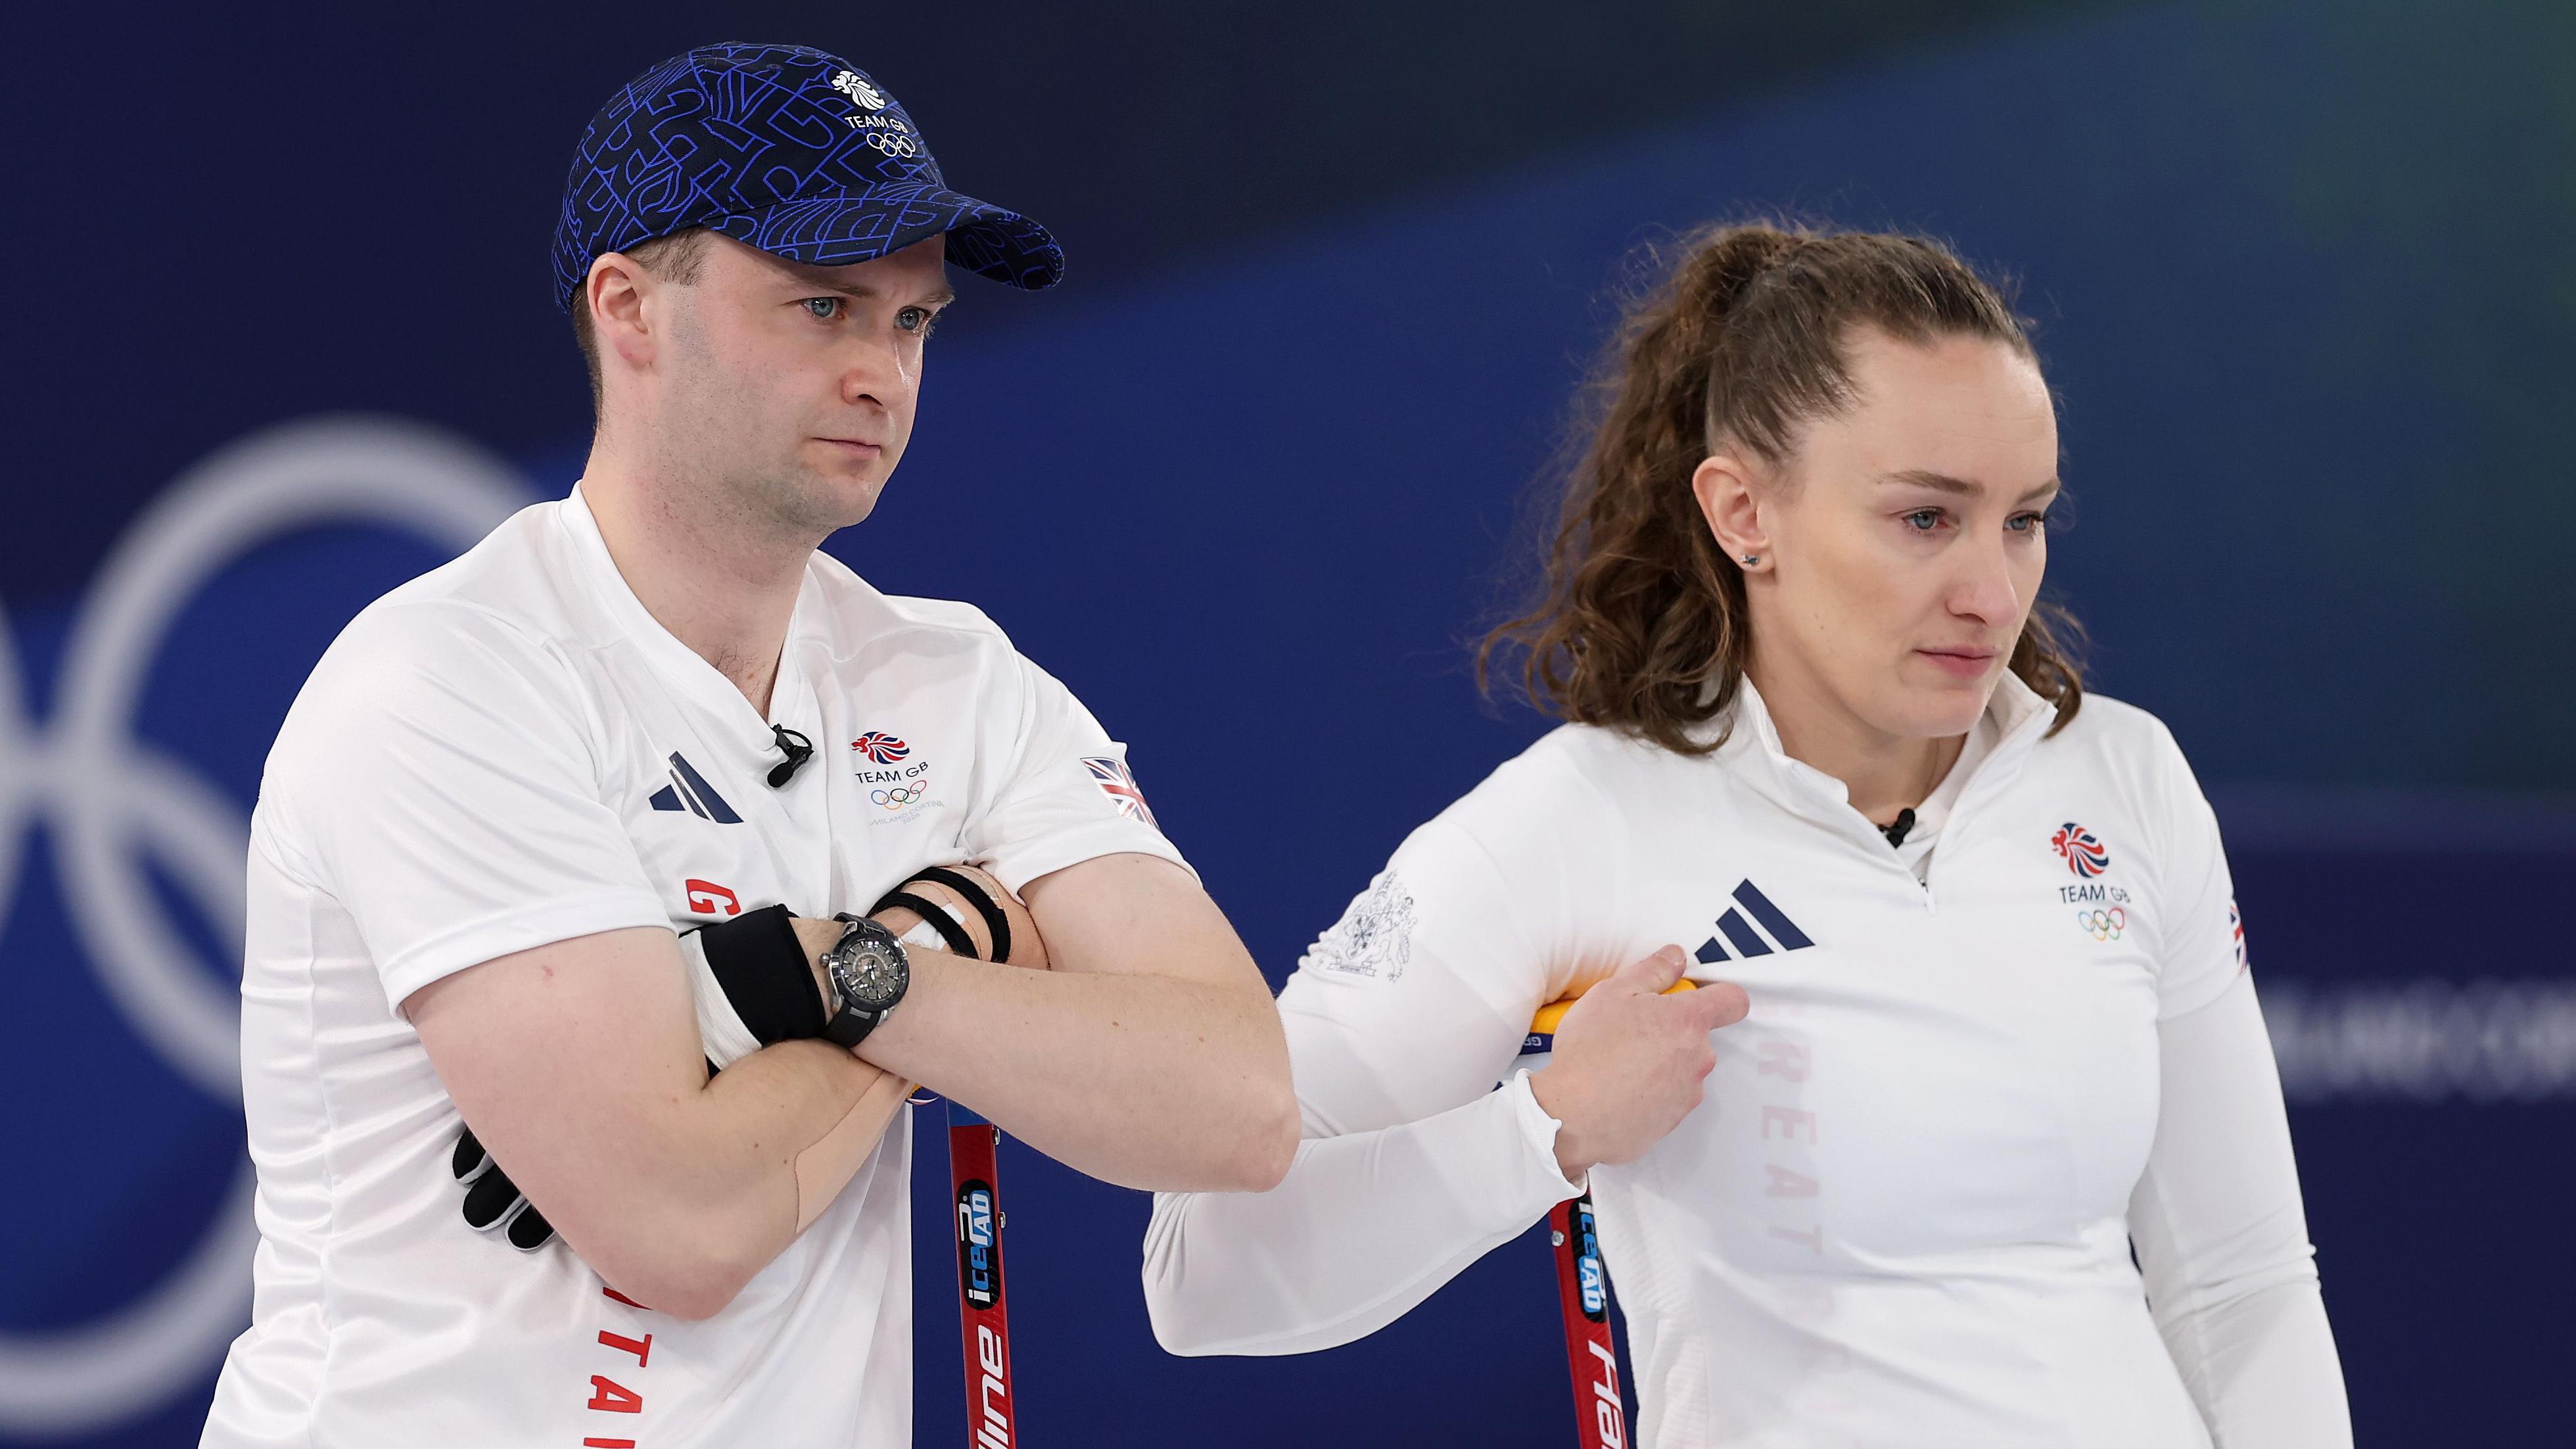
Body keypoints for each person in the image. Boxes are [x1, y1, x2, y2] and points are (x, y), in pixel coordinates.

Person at [203, 43, 1296, 1448]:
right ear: (629, 309)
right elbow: (682, 1222)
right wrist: (965, 936)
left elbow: (1239, 1103)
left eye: (912, 322)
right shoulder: (448, 677)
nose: (881, 373)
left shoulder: (959, 678)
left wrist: (845, 971)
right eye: (824, 304)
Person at [1142, 223, 2351, 1447]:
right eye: (1927, 519)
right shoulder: (1581, 818)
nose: (1992, 591)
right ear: (1742, 512)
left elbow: (2243, 1285)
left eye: (2024, 519)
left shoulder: (2123, 778)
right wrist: (1543, 1126)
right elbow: (1204, 1265)